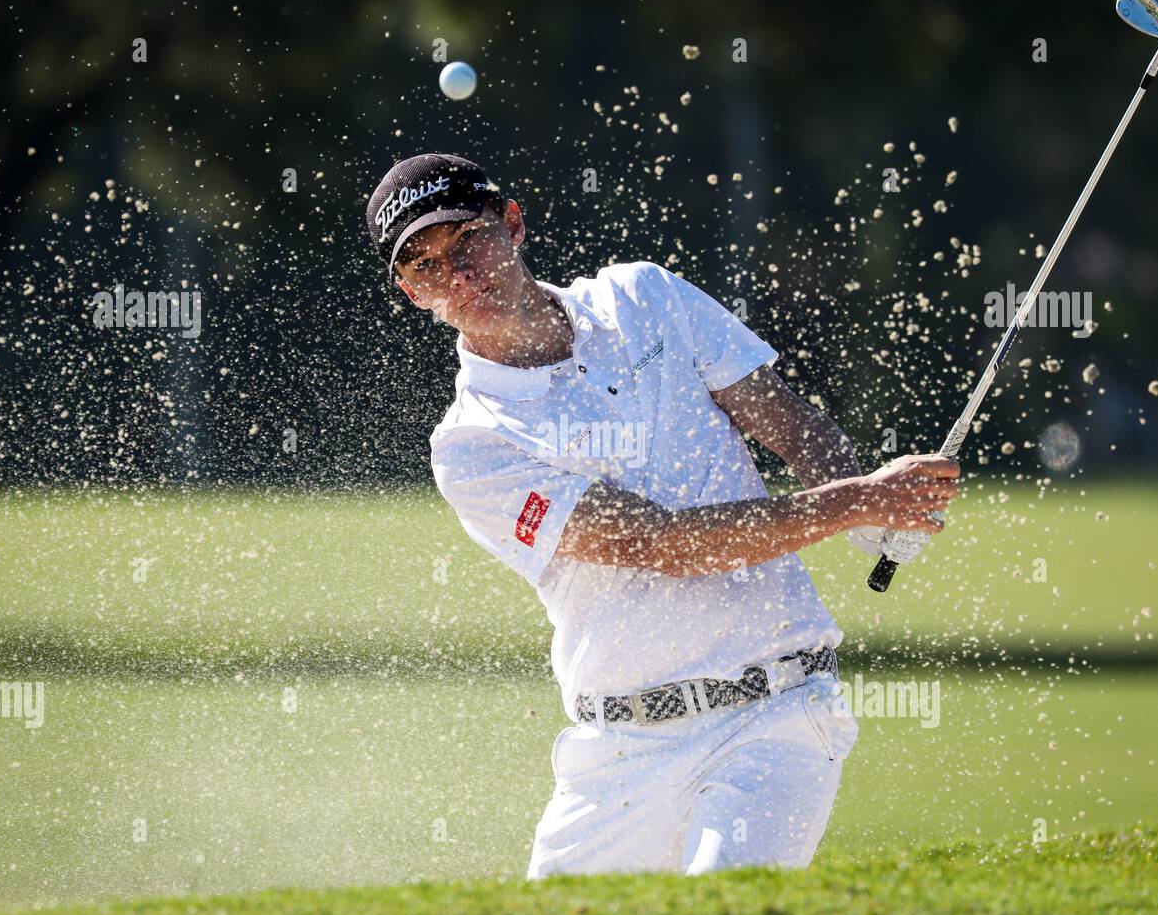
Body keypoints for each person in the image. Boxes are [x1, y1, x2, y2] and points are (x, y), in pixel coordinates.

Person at [365, 153, 959, 878]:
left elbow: (789, 423)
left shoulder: (645, 296)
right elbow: (665, 544)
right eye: (425, 266)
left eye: (467, 241)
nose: (457, 275)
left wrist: (868, 501)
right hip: (617, 754)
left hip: (775, 713)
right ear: (409, 290)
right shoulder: (471, 445)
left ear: (512, 224)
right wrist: (859, 500)